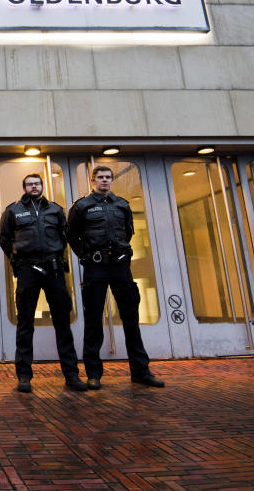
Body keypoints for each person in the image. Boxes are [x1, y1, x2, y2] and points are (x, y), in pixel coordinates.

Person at [67, 165, 165, 390]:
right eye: (100, 177)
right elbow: (72, 235)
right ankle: (93, 374)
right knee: (93, 322)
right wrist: (87, 256)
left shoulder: (122, 205)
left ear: (112, 180)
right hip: (95, 267)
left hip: (120, 267)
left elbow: (128, 231)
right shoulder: (81, 206)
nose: (104, 181)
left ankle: (140, 372)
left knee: (131, 319)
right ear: (93, 181)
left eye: (108, 177)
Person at [0, 173, 87, 393]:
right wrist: (16, 261)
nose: (34, 187)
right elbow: (4, 239)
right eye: (29, 184)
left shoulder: (56, 210)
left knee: (63, 322)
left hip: (53, 269)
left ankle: (72, 375)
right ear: (24, 187)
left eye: (37, 183)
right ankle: (24, 376)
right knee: (25, 323)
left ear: (42, 186)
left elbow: (65, 237)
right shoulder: (13, 210)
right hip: (28, 269)